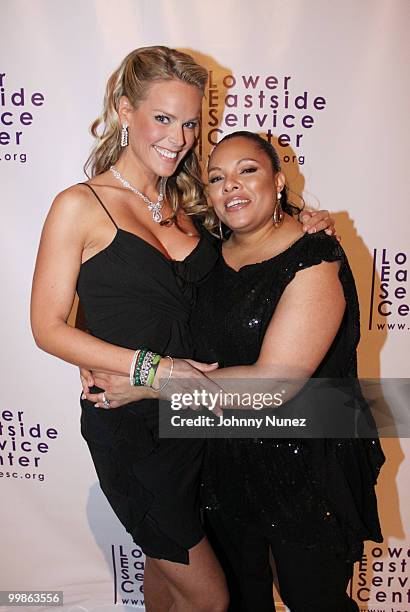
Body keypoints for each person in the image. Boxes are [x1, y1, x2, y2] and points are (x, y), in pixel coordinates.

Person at [31, 46, 334, 612]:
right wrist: (152, 369)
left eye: (191, 122)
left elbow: (254, 258)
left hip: (202, 418)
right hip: (133, 424)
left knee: (166, 577)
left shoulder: (191, 203)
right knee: (210, 597)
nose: (179, 136)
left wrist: (304, 223)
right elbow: (47, 328)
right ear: (125, 111)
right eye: (163, 118)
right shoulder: (80, 204)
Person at [84, 131, 384, 611]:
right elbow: (130, 292)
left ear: (278, 181)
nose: (232, 186)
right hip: (220, 461)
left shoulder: (314, 257)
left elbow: (276, 382)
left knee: (311, 597)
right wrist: (95, 353)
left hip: (301, 464)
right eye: (217, 178)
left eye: (248, 170)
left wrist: (148, 385)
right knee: (242, 598)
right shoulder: (206, 254)